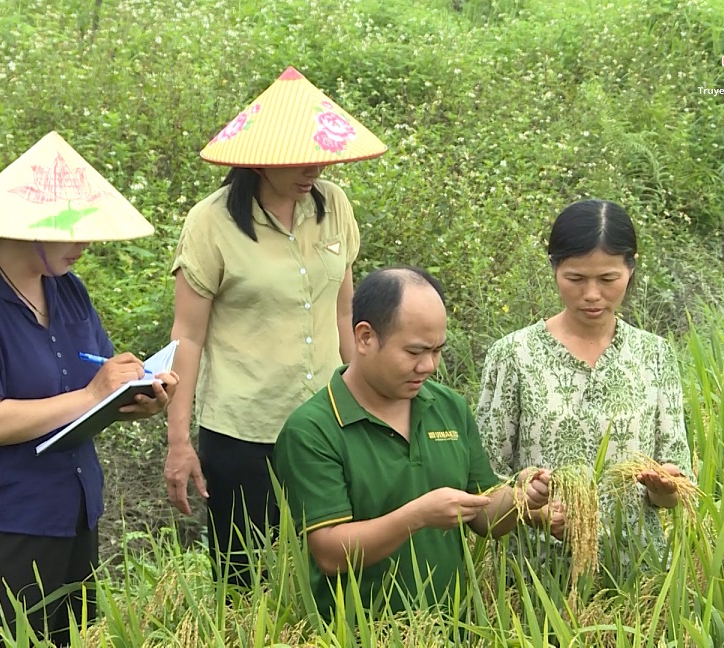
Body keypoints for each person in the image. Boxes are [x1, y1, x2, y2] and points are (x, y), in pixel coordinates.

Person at [0, 132, 178, 647]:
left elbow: (95, 384)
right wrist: (91, 395)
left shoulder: (67, 289)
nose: (85, 244)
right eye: (73, 232)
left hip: (73, 514)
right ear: (26, 227)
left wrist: (135, 397)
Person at [163, 66, 388, 586]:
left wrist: (369, 407)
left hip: (328, 423)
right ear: (259, 158)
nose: (313, 169)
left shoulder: (335, 207)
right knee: (246, 579)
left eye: (321, 156)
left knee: (333, 571)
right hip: (245, 432)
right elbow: (187, 337)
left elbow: (344, 314)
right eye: (298, 159)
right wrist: (179, 442)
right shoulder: (211, 222)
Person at [273, 267, 553, 621]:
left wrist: (521, 499)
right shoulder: (313, 429)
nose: (429, 366)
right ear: (364, 337)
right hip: (356, 631)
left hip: (449, 630)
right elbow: (329, 552)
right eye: (414, 352)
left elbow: (485, 517)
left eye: (437, 350)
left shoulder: (448, 407)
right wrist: (418, 516)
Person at [475, 199, 694, 586]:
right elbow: (485, 481)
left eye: (608, 279)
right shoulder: (513, 355)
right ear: (554, 268)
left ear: (631, 268)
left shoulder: (654, 355)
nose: (592, 294)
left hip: (637, 578)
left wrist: (665, 487)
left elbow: (676, 482)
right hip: (533, 578)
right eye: (575, 278)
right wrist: (534, 508)